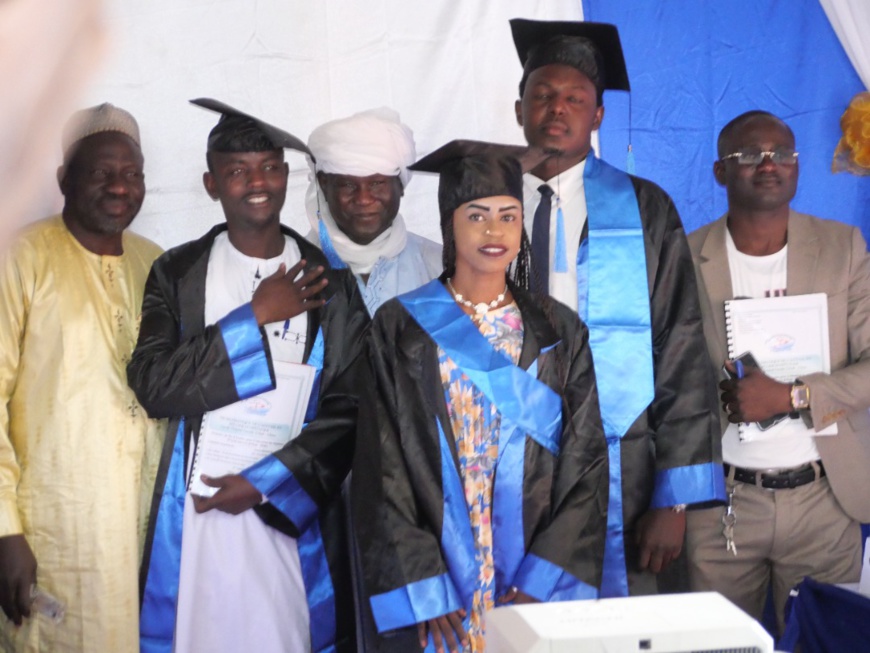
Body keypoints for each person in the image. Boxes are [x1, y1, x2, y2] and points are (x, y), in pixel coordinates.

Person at [128, 99, 368, 653]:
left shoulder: (329, 283)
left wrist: (269, 482)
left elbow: (350, 407)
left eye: (269, 167)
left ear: (286, 176)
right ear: (212, 184)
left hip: (287, 512)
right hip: (196, 510)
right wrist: (253, 317)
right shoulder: (177, 271)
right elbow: (154, 384)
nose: (256, 182)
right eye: (237, 171)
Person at [352, 140, 608, 653]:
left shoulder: (559, 330)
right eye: (478, 216)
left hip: (531, 562)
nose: (494, 232)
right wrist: (422, 583)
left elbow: (586, 462)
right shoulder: (402, 328)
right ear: (451, 224)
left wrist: (546, 578)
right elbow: (382, 464)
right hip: (441, 566)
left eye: (508, 217)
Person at [509, 18, 725, 597]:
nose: (558, 109)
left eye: (576, 98)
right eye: (543, 95)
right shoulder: (485, 203)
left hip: (625, 467)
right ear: (519, 109)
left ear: (598, 115)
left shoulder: (645, 208)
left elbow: (681, 345)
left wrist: (674, 500)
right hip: (510, 460)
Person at [686, 110, 870, 633]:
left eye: (782, 154)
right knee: (717, 647)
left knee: (825, 644)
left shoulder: (843, 246)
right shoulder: (684, 254)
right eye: (748, 155)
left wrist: (792, 397)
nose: (769, 164)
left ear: (797, 166)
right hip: (720, 500)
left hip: (824, 499)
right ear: (720, 171)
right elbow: (667, 379)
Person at [0, 103, 163, 652]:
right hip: (52, 532)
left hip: (143, 530)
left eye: (133, 174)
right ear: (64, 179)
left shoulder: (157, 265)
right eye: (101, 172)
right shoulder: (20, 256)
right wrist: (5, 532)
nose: (120, 187)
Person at [306, 108, 442, 315]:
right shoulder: (295, 270)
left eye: (378, 183)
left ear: (400, 186)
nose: (364, 199)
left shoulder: (438, 267)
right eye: (348, 185)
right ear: (324, 185)